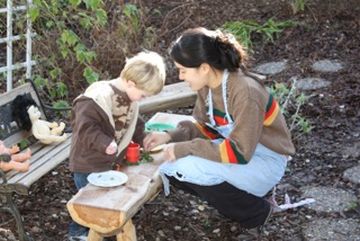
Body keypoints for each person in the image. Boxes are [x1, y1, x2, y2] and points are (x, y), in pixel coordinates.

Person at [143, 27, 295, 233]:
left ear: (204, 68)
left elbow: (239, 152)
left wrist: (185, 148)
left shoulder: (245, 92)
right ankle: (249, 195)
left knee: (184, 166)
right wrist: (169, 136)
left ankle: (255, 212)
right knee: (169, 166)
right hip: (242, 152)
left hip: (265, 160)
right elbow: (203, 128)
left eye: (183, 70)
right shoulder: (207, 87)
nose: (180, 76)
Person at [68, 51, 166, 240]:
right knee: (88, 200)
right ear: (131, 83)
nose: (142, 99)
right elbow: (84, 127)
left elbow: (134, 124)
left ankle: (101, 227)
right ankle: (77, 233)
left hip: (109, 161)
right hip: (87, 162)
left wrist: (143, 138)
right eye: (143, 94)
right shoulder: (96, 97)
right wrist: (105, 143)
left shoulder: (131, 98)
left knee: (103, 198)